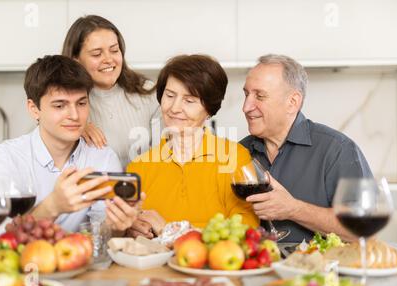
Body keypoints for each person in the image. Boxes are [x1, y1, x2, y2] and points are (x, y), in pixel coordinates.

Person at [0, 55, 139, 234]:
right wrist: (52, 206)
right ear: (34, 109)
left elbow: (102, 237)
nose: (75, 115)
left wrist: (115, 226)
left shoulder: (103, 158)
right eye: (60, 106)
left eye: (81, 103)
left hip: (82, 261)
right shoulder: (2, 159)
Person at [240, 54, 373, 242]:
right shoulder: (239, 152)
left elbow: (364, 229)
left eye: (259, 96)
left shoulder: (338, 150)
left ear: (292, 102)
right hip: (256, 269)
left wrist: (294, 209)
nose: (246, 107)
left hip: (320, 270)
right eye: (246, 94)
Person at [125, 54, 259, 238]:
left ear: (209, 109)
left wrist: (171, 230)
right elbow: (127, 227)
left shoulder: (236, 157)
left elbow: (246, 229)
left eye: (189, 100)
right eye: (170, 96)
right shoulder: (139, 167)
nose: (174, 108)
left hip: (213, 266)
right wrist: (132, 228)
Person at [62, 15, 161, 168]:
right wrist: (73, 127)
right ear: (76, 60)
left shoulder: (148, 92)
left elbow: (168, 152)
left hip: (146, 187)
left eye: (114, 50)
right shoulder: (67, 103)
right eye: (97, 54)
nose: (109, 59)